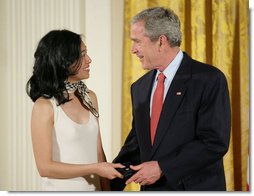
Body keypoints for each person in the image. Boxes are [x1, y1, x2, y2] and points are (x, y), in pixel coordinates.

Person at [110, 7, 231, 191]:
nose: (133, 50)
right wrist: (107, 181)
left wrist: (162, 167)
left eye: (137, 42)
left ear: (161, 41)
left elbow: (214, 142)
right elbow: (137, 144)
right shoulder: (139, 87)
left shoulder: (208, 79)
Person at [26, 29, 124, 191]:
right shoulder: (44, 106)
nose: (89, 60)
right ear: (63, 60)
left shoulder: (89, 97)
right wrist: (94, 168)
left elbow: (99, 153)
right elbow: (45, 168)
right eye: (82, 54)